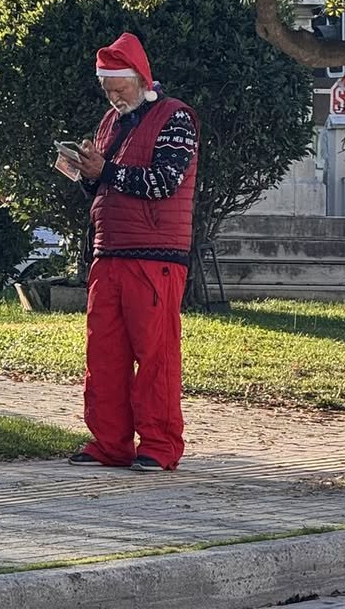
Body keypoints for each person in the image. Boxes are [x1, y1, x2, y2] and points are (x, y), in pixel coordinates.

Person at [69, 32, 199, 473]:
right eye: (107, 90)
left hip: (155, 255)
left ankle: (160, 445)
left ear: (140, 80)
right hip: (110, 252)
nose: (112, 98)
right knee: (104, 353)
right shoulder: (110, 121)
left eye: (118, 90)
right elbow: (107, 181)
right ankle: (110, 442)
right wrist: (87, 172)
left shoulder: (176, 118)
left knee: (156, 353)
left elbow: (163, 184)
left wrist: (106, 171)